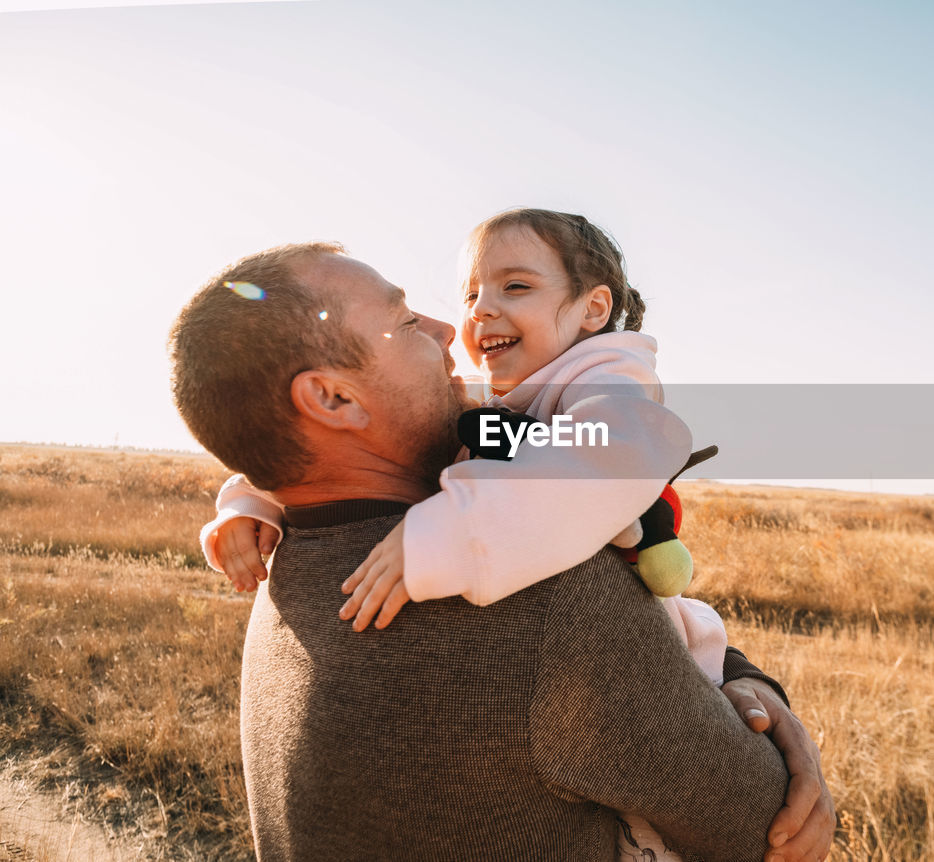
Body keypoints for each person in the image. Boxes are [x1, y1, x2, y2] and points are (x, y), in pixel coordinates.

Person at [170, 242, 835, 861]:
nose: (444, 331)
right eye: (405, 321)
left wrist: (746, 682)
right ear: (334, 397)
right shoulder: (535, 595)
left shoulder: (287, 560)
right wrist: (768, 719)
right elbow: (766, 829)